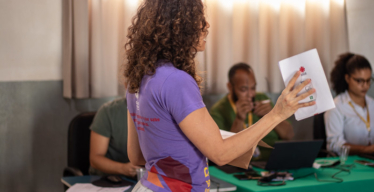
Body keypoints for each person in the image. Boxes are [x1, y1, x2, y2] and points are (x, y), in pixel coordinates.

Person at [124, 0, 315, 191]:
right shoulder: (177, 81)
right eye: (198, 19)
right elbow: (221, 155)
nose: (206, 25)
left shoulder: (139, 78)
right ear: (179, 26)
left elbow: (137, 156)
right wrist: (277, 114)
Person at [210, 63, 294, 161]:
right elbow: (224, 152)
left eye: (253, 88)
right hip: (244, 165)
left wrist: (273, 115)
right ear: (230, 87)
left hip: (275, 159)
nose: (250, 95)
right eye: (243, 89)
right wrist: (239, 119)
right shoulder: (218, 110)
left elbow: (289, 135)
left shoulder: (262, 99)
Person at [325, 53, 374, 155]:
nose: (365, 86)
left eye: (368, 80)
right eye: (359, 81)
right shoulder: (336, 107)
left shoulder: (372, 103)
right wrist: (365, 150)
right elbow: (334, 145)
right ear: (347, 78)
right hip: (350, 164)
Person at [89, 98, 140, 177]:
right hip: (111, 178)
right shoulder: (108, 111)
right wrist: (123, 168)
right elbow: (95, 159)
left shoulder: (160, 109)